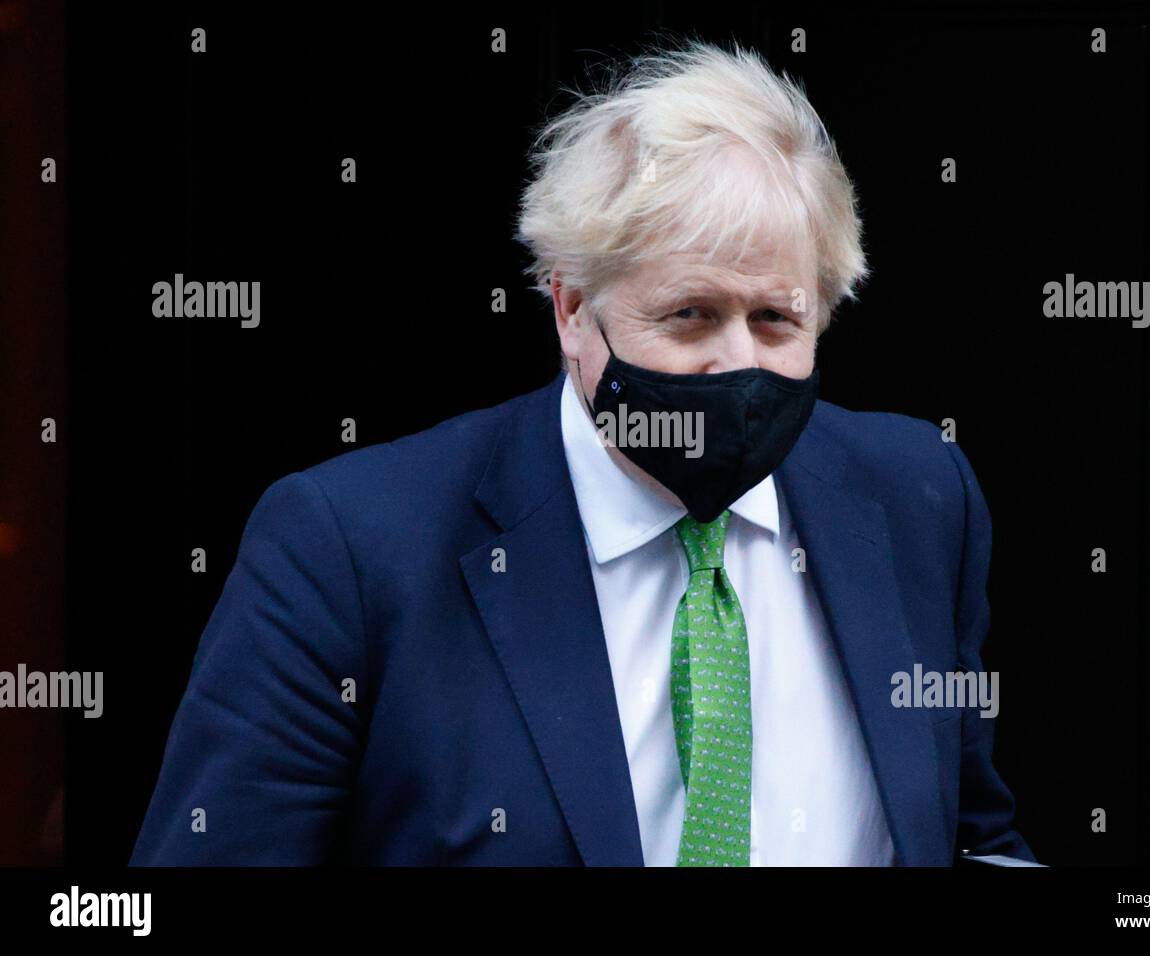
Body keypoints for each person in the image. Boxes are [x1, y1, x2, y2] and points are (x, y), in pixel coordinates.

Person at [130, 38, 1034, 866]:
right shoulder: (350, 548)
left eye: (775, 319)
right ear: (570, 310)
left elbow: (970, 835)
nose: (738, 363)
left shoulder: (917, 498)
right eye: (689, 315)